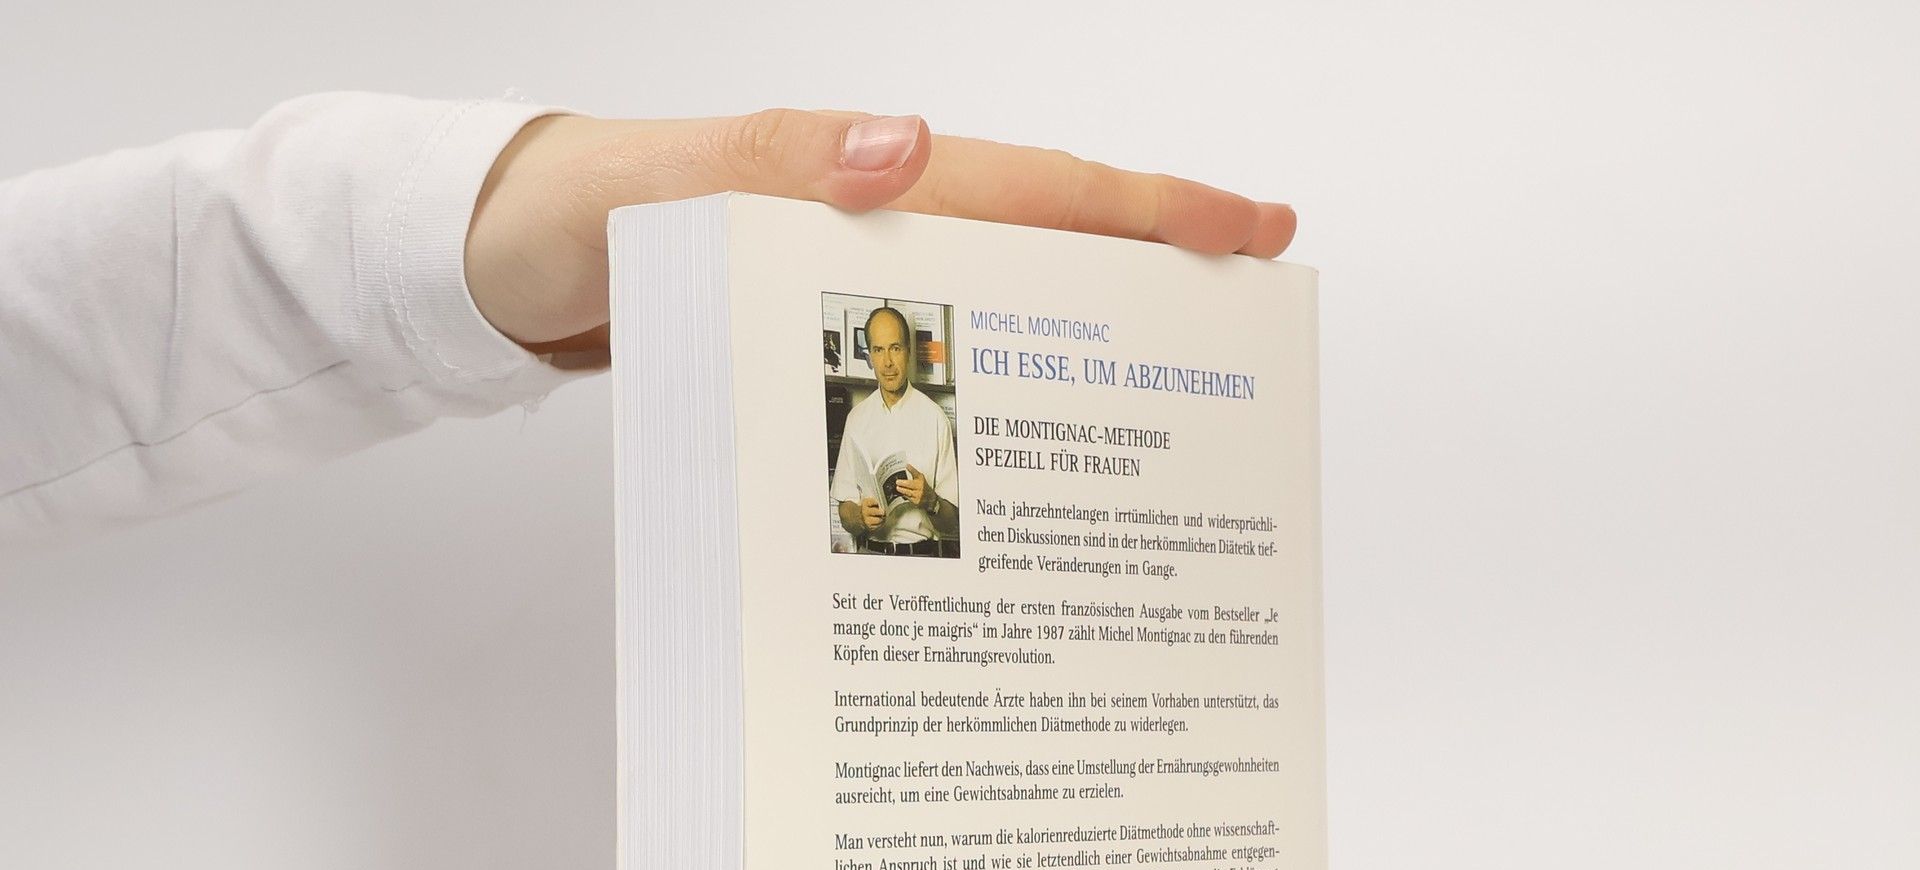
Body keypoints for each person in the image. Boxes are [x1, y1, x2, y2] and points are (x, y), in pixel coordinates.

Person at [0, 98, 1296, 544]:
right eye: (885, 346)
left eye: (899, 348)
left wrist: (453, 233)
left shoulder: (925, 429)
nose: (891, 355)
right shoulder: (875, 444)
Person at [832, 304, 959, 554]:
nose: (887, 362)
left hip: (922, 558)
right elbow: (845, 512)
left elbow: (951, 521)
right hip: (870, 556)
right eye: (878, 350)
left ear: (908, 351)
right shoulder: (856, 419)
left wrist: (931, 501)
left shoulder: (935, 418)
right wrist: (859, 516)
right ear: (870, 356)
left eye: (895, 348)